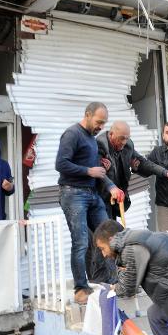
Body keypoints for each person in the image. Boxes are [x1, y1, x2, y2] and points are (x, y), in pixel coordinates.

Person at [56, 102, 123, 304]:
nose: (101, 127)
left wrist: (111, 186)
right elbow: (60, 164)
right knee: (81, 242)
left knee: (111, 236)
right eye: (99, 122)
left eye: (104, 123)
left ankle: (116, 283)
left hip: (93, 194)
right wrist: (87, 171)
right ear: (87, 114)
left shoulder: (92, 140)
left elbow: (98, 170)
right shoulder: (72, 134)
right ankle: (81, 289)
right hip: (73, 194)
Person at [96, 121, 168, 220]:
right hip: (99, 197)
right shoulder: (100, 144)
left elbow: (144, 163)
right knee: (103, 231)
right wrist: (103, 171)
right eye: (121, 138)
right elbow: (95, 170)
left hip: (115, 199)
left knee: (112, 231)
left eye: (127, 138)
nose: (124, 142)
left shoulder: (128, 145)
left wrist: (166, 172)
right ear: (111, 134)